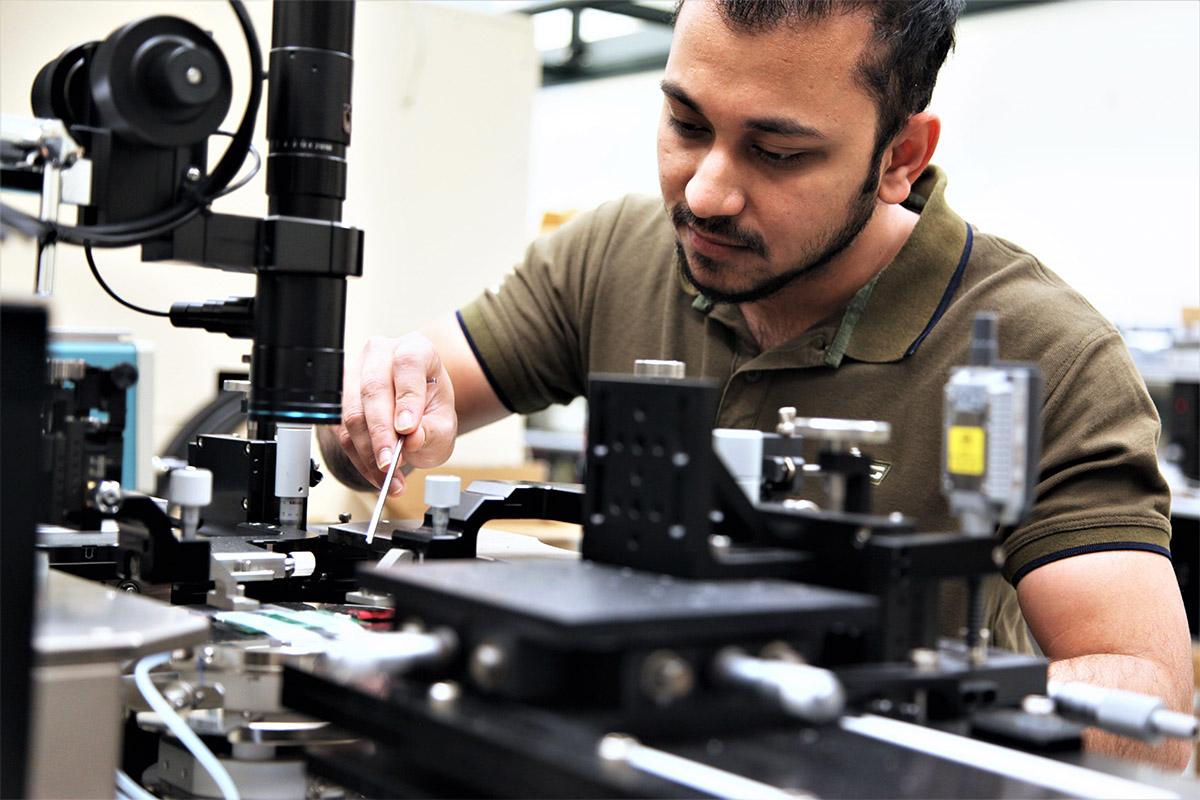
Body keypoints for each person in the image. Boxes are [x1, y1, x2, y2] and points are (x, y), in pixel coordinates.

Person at [319, 0, 1193, 769]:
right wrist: (367, 413)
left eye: (775, 152)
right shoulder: (612, 255)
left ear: (900, 156)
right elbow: (384, 427)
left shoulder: (1045, 348)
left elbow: (1150, 701)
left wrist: (854, 711)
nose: (703, 194)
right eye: (686, 124)